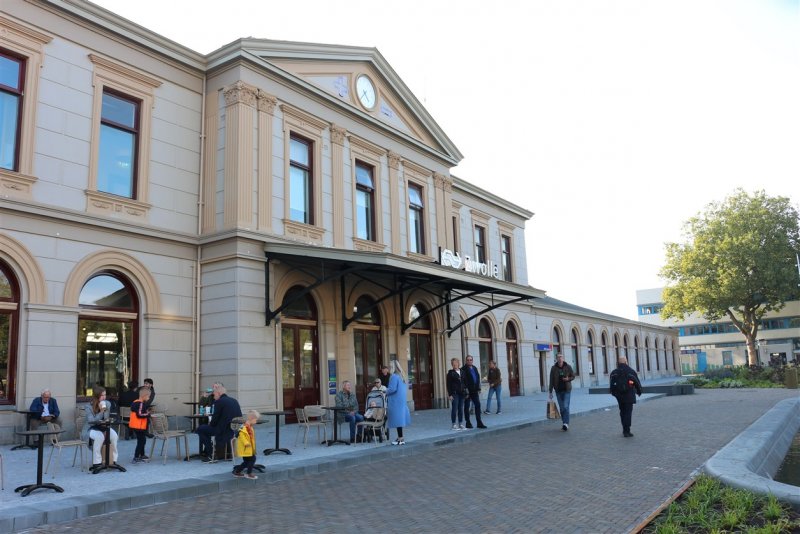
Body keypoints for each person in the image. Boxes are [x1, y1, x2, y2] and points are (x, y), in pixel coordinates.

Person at [196, 382, 242, 461]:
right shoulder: (234, 401)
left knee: (200, 429)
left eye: (214, 394)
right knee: (205, 428)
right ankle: (214, 451)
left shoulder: (219, 402)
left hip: (222, 430)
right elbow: (240, 416)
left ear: (219, 393)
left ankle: (211, 454)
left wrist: (210, 424)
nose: (213, 396)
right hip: (234, 430)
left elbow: (214, 420)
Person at [82, 387, 120, 469]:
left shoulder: (107, 403)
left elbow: (106, 418)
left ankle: (113, 460)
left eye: (105, 395)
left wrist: (105, 409)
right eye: (102, 395)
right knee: (99, 437)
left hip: (103, 427)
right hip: (91, 428)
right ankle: (97, 463)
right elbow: (91, 421)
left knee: (114, 436)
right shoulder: (88, 406)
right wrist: (101, 411)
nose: (104, 397)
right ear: (96, 396)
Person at [610, 356, 643, 437]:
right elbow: (636, 382)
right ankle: (627, 431)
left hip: (619, 396)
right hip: (629, 394)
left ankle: (624, 429)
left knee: (622, 411)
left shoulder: (614, 372)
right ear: (626, 362)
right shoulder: (630, 371)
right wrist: (639, 391)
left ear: (618, 363)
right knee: (628, 412)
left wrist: (614, 393)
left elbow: (611, 385)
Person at [385, 360, 411, 445]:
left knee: (397, 420)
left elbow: (392, 389)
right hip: (401, 401)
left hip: (395, 401)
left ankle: (400, 439)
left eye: (389, 366)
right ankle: (401, 437)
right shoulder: (402, 376)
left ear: (393, 367)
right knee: (399, 420)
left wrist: (385, 390)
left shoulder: (394, 377)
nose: (388, 368)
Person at [549, 353, 575, 431]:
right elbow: (551, 380)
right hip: (558, 391)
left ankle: (566, 424)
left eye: (561, 357)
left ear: (563, 358)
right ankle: (564, 423)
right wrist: (550, 391)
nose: (560, 358)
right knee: (562, 408)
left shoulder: (568, 367)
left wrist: (568, 379)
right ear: (556, 359)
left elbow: (573, 376)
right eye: (558, 357)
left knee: (566, 406)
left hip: (567, 390)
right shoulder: (553, 368)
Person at [233, 409, 260, 480]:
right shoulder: (244, 427)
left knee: (246, 462)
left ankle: (237, 472)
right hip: (246, 448)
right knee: (252, 459)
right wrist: (246, 443)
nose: (256, 421)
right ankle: (249, 473)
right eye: (256, 420)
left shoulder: (249, 427)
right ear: (251, 419)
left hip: (249, 448)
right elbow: (241, 436)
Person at [462, 355, 487, 429]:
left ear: (472, 361)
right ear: (466, 361)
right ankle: (468, 422)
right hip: (467, 391)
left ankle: (479, 422)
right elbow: (463, 381)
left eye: (471, 360)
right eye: (468, 360)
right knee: (467, 407)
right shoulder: (463, 369)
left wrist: (479, 388)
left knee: (478, 405)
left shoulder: (475, 368)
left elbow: (478, 378)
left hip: (475, 390)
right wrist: (465, 389)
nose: (469, 361)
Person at [129, 386, 151, 463]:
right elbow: (140, 414)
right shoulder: (140, 404)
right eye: (148, 396)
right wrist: (148, 414)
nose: (149, 398)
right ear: (144, 396)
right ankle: (136, 457)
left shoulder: (135, 402)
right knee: (141, 441)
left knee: (142, 440)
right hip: (139, 426)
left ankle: (142, 455)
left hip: (136, 426)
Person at [446, 357, 465, 431]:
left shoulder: (463, 372)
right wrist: (450, 395)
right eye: (453, 364)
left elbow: (465, 382)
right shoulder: (450, 373)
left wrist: (466, 390)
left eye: (456, 363)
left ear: (458, 363)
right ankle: (453, 424)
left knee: (460, 409)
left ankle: (460, 423)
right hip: (454, 393)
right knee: (454, 409)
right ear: (452, 365)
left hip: (462, 393)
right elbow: (448, 384)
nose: (455, 365)